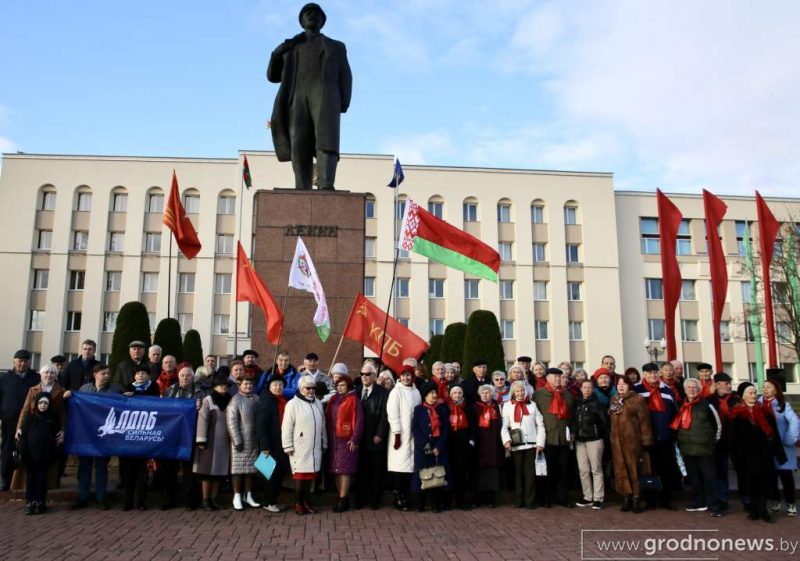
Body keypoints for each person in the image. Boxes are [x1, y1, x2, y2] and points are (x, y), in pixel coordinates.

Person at [268, 2, 353, 191]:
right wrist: (276, 54)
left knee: (326, 142)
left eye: (315, 13)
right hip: (297, 98)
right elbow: (273, 77)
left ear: (322, 20)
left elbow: (345, 74)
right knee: (299, 143)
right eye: (307, 13)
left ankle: (326, 184)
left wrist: (344, 101)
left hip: (326, 99)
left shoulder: (336, 47)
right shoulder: (291, 47)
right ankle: (302, 186)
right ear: (301, 21)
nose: (311, 16)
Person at [67, 364, 122, 509]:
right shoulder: (84, 389)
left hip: (103, 437)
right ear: (95, 374)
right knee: (84, 467)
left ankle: (101, 497)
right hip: (86, 435)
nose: (106, 376)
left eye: (108, 373)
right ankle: (83, 497)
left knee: (101, 467)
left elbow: (121, 409)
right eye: (103, 373)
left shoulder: (114, 390)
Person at [730, 385, 787, 523]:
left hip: (764, 453)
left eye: (755, 392)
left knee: (765, 482)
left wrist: (779, 452)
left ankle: (763, 509)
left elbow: (774, 433)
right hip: (746, 455)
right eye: (750, 393)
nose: (753, 395)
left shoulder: (765, 411)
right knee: (751, 483)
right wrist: (736, 456)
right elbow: (733, 438)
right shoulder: (736, 413)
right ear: (743, 396)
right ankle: (754, 509)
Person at [672, 378, 722, 516]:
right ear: (685, 389)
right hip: (688, 448)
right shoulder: (681, 405)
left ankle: (714, 504)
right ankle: (699, 502)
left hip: (705, 449)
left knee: (710, 478)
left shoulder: (707, 405)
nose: (691, 389)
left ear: (699, 390)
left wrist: (711, 441)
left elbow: (718, 425)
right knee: (694, 478)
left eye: (694, 387)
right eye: (689, 387)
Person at [635, 362, 679, 510]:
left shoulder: (667, 391)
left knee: (665, 469)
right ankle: (649, 500)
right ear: (644, 375)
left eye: (655, 373)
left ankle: (666, 499)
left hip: (664, 436)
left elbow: (674, 413)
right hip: (646, 438)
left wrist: (672, 433)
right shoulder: (637, 390)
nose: (652, 376)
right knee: (648, 470)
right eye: (649, 373)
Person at [282, 375, 327, 515]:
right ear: (301, 388)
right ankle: (298, 503)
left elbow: (323, 425)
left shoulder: (318, 403)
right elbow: (287, 426)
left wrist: (324, 441)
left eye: (313, 388)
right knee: (300, 477)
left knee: (311, 477)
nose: (311, 391)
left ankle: (306, 501)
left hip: (315, 447)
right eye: (308, 388)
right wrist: (288, 445)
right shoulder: (292, 404)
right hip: (300, 447)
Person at [161, 365, 204, 510]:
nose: (185, 378)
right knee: (169, 470)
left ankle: (190, 501)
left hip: (189, 436)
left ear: (193, 378)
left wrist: (199, 408)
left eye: (188, 375)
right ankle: (168, 500)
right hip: (171, 435)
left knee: (189, 471)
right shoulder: (170, 391)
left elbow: (204, 414)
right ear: (178, 377)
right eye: (182, 375)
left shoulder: (199, 393)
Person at [609, 376, 653, 513]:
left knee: (634, 469)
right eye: (619, 384)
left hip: (632, 442)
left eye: (624, 384)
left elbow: (644, 421)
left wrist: (646, 440)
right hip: (617, 442)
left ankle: (636, 498)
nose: (621, 386)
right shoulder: (614, 399)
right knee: (621, 470)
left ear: (630, 385)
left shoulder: (637, 399)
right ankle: (626, 497)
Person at [533, 368, 575, 508]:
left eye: (559, 376)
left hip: (563, 438)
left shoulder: (567, 395)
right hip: (547, 438)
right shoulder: (539, 395)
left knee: (563, 470)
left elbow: (572, 416)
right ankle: (545, 498)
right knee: (546, 470)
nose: (557, 379)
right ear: (548, 378)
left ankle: (562, 497)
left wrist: (572, 432)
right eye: (554, 377)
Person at [121, 364, 160, 510]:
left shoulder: (153, 387)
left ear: (148, 376)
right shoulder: (128, 387)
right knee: (128, 472)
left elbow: (154, 403)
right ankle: (128, 501)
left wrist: (136, 397)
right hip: (129, 435)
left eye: (143, 373)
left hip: (145, 435)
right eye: (138, 374)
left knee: (142, 472)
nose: (140, 376)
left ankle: (141, 501)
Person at [501, 380, 545, 509]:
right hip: (516, 445)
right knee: (518, 474)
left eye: (522, 391)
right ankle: (518, 500)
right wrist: (506, 440)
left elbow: (540, 425)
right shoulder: (508, 406)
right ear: (513, 393)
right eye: (517, 391)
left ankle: (530, 501)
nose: (520, 393)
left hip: (531, 445)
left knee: (530, 474)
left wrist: (540, 443)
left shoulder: (532, 405)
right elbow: (505, 426)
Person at [0, 349, 40, 490]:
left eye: (25, 361)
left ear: (29, 362)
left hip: (30, 421)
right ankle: (5, 479)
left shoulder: (36, 378)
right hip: (9, 420)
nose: (22, 363)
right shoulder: (5, 378)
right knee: (7, 450)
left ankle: (26, 482)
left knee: (28, 450)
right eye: (19, 361)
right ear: (14, 361)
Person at [761, 378, 799, 517]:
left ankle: (790, 504)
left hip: (783, 447)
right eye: (764, 387)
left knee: (786, 477)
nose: (765, 389)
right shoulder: (759, 403)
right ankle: (775, 501)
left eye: (769, 387)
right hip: (767, 448)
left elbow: (795, 422)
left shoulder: (783, 405)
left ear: (776, 390)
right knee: (771, 477)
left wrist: (789, 439)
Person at [326, 372, 363, 512]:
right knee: (335, 470)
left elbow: (359, 420)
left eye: (343, 385)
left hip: (347, 440)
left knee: (345, 470)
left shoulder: (354, 399)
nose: (340, 388)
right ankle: (341, 496)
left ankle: (343, 499)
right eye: (338, 385)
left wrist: (355, 438)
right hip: (333, 440)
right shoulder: (334, 399)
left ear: (348, 386)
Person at [194, 373, 231, 511]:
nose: (223, 387)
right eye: (220, 385)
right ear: (215, 387)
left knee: (219, 473)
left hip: (225, 442)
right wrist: (201, 440)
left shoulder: (230, 400)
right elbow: (202, 420)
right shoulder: (208, 400)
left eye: (225, 385)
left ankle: (214, 499)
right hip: (209, 442)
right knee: (206, 473)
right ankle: (205, 500)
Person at [17, 393, 60, 514]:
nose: (42, 405)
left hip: (45, 454)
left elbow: (56, 437)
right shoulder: (30, 418)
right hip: (30, 454)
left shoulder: (52, 418)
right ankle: (30, 501)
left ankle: (40, 502)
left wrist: (54, 452)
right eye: (40, 403)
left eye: (45, 403)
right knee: (30, 479)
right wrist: (23, 451)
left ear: (49, 404)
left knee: (41, 479)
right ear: (36, 404)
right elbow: (23, 436)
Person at [386, 365, 421, 511]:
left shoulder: (416, 392)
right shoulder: (396, 392)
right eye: (403, 375)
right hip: (400, 435)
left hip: (413, 435)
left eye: (409, 375)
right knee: (400, 468)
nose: (406, 378)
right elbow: (392, 414)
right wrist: (397, 433)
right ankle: (398, 497)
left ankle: (407, 495)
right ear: (399, 377)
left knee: (410, 468)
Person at [411, 382, 450, 512]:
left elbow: (445, 429)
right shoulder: (419, 410)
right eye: (430, 393)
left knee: (437, 475)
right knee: (422, 475)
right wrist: (425, 444)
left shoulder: (442, 410)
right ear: (425, 395)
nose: (434, 395)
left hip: (438, 448)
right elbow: (415, 428)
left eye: (435, 393)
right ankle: (419, 504)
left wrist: (439, 446)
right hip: (423, 449)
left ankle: (436, 504)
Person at [356, 363, 389, 510]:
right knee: (361, 470)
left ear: (375, 376)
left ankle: (375, 500)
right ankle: (360, 498)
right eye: (362, 374)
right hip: (359, 439)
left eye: (368, 374)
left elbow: (385, 415)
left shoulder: (383, 393)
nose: (364, 376)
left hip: (375, 438)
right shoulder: (356, 392)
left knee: (376, 471)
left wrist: (380, 434)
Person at [706, 372, 740, 512]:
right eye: (726, 383)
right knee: (720, 471)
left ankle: (747, 499)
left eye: (729, 383)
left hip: (735, 440)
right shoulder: (709, 400)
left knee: (741, 471)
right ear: (717, 384)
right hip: (718, 442)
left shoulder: (736, 400)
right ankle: (722, 499)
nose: (728, 386)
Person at [256, 375, 289, 513]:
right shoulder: (267, 401)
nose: (278, 387)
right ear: (269, 387)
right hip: (270, 445)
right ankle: (267, 502)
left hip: (281, 443)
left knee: (279, 473)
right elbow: (261, 425)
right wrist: (265, 447)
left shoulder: (282, 400)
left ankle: (273, 500)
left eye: (280, 385)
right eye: (275, 385)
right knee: (271, 474)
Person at [227, 377, 260, 510]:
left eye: (250, 383)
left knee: (251, 470)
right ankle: (237, 496)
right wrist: (237, 439)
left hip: (254, 440)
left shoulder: (257, 399)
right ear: (239, 385)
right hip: (240, 441)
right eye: (245, 383)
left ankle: (249, 495)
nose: (248, 386)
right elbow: (231, 421)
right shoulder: (235, 400)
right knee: (238, 470)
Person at [574, 380, 608, 509]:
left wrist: (598, 433)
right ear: (581, 389)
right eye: (584, 387)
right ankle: (587, 496)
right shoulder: (577, 403)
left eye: (589, 387)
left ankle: (598, 498)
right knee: (583, 470)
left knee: (596, 469)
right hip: (580, 440)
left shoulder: (598, 404)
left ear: (592, 389)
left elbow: (604, 422)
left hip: (594, 439)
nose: (587, 390)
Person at [471, 385, 504, 508]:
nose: (485, 395)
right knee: (479, 471)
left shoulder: (497, 407)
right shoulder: (475, 407)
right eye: (483, 393)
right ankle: (478, 498)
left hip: (494, 443)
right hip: (480, 443)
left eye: (488, 393)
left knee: (492, 472)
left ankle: (491, 499)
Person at [445, 385, 472, 509]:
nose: (457, 395)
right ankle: (448, 500)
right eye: (454, 393)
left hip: (463, 445)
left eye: (459, 393)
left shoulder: (468, 408)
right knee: (449, 472)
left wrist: (471, 441)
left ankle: (461, 500)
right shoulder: (446, 408)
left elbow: (473, 427)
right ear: (450, 395)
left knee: (462, 473)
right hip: (449, 444)